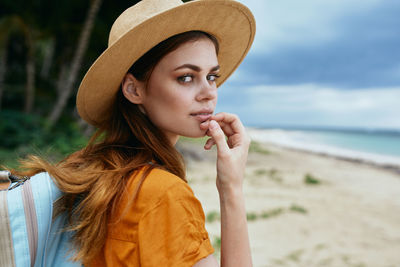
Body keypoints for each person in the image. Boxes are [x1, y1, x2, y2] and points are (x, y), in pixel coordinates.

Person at [15, 0, 256, 266]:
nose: (209, 92)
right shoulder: (162, 195)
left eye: (212, 76)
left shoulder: (92, 172)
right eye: (186, 77)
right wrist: (231, 187)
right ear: (134, 90)